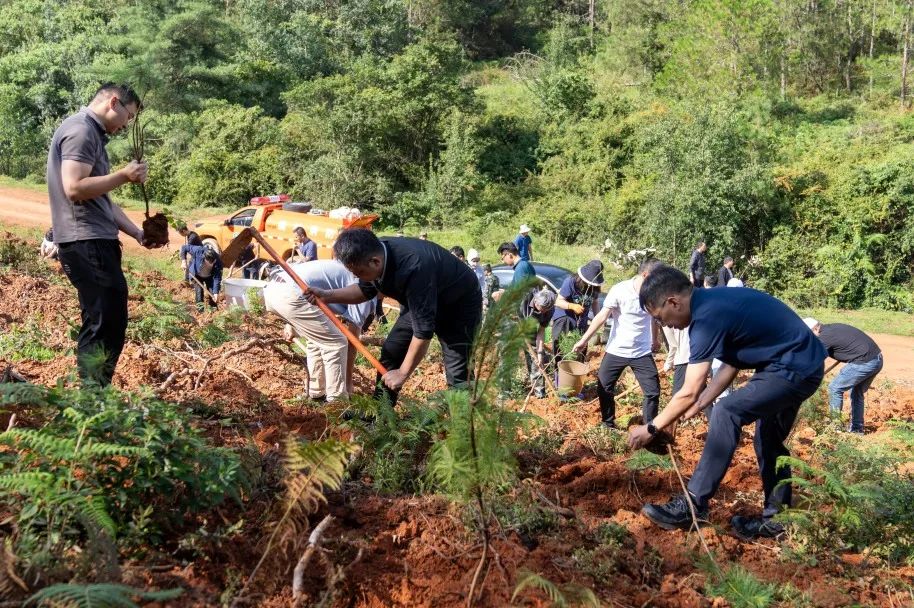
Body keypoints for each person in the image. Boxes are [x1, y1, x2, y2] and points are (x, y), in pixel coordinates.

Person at [630, 265, 825, 540]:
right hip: (799, 363)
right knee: (768, 440)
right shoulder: (714, 303)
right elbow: (731, 364)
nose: (665, 326)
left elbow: (689, 388)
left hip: (791, 367)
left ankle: (694, 504)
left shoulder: (705, 318)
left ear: (673, 302)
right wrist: (699, 404)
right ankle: (777, 521)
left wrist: (651, 428)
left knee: (726, 410)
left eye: (660, 319)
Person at [47, 82, 154, 385]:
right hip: (85, 241)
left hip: (94, 240)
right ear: (113, 103)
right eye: (128, 116)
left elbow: (101, 199)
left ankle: (92, 395)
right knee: (106, 323)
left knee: (103, 321)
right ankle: (92, 398)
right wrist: (123, 176)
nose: (127, 124)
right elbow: (74, 188)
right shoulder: (81, 131)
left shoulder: (92, 134)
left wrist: (137, 233)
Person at [307, 229, 481, 406]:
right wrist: (327, 295)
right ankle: (382, 412)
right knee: (392, 350)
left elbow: (423, 333)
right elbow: (364, 291)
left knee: (458, 369)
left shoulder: (413, 268)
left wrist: (403, 373)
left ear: (375, 262)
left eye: (359, 273)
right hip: (420, 298)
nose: (356, 277)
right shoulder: (373, 253)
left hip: (458, 305)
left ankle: (464, 420)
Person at [264, 260, 374, 402]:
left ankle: (317, 393)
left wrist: (290, 324)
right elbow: (352, 341)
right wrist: (348, 382)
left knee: (318, 339)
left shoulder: (353, 271)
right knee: (337, 343)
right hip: (293, 293)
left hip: (275, 289)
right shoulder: (366, 293)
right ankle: (338, 402)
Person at [574, 259, 662, 429]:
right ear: (646, 275)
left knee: (652, 391)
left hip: (641, 351)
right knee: (604, 386)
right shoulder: (620, 290)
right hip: (617, 349)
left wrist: (655, 339)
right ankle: (608, 423)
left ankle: (648, 429)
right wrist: (584, 340)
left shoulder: (654, 294)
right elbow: (602, 316)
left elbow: (654, 318)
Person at [803, 318, 882, 434]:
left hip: (864, 363)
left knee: (835, 388)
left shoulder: (824, 337)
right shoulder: (831, 328)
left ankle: (835, 428)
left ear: (815, 328)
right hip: (876, 359)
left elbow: (813, 360)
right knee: (857, 393)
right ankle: (857, 430)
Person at [551, 261, 603, 361]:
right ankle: (558, 367)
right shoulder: (571, 281)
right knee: (560, 345)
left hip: (581, 321)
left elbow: (595, 302)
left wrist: (598, 317)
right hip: (565, 318)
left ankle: (576, 368)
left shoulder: (595, 287)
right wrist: (571, 306)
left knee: (580, 348)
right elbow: (558, 301)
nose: (589, 284)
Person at [523, 289, 556, 398]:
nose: (544, 313)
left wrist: (540, 353)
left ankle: (539, 392)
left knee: (537, 360)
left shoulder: (549, 310)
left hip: (530, 327)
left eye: (546, 310)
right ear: (536, 301)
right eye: (542, 309)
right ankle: (505, 392)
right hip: (512, 323)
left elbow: (541, 331)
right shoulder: (523, 299)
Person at [182, 244, 223, 311]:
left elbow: (217, 278)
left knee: (212, 293)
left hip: (210, 276)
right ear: (204, 258)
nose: (212, 264)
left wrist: (216, 293)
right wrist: (183, 261)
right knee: (199, 292)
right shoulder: (198, 250)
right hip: (197, 275)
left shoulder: (218, 261)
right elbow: (184, 247)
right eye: (210, 262)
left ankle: (214, 310)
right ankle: (200, 311)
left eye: (213, 262)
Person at [662, 325, 690, 395]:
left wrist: (668, 363)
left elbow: (673, 346)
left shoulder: (664, 322)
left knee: (678, 394)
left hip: (683, 359)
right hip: (696, 356)